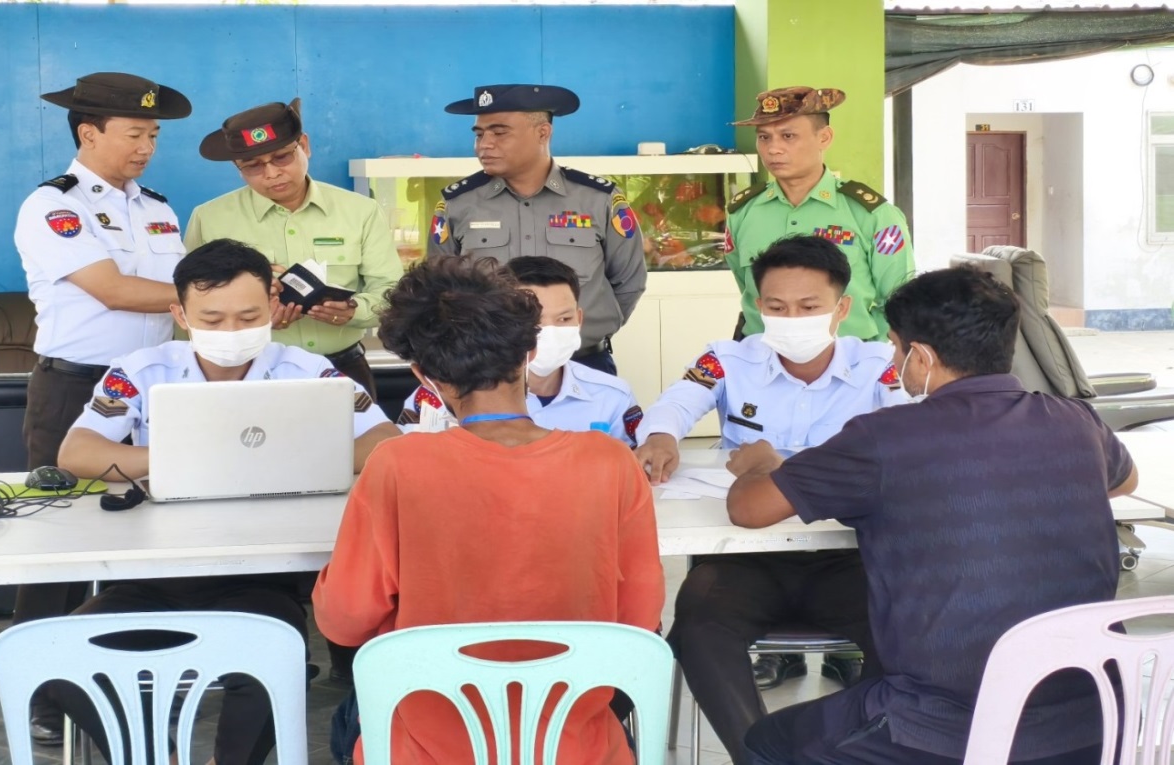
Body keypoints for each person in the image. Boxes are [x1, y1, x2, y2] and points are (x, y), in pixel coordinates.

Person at [732, 267, 1137, 765]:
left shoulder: (884, 438)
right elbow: (1125, 480)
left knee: (767, 743)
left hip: (942, 728)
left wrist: (763, 464)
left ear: (921, 357)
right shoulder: (1077, 421)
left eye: (896, 349)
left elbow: (749, 509)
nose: (894, 362)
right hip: (1095, 722)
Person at [50, 239, 399, 765]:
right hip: (154, 574)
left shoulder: (308, 371)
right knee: (61, 660)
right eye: (212, 319)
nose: (231, 331)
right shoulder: (142, 370)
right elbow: (77, 453)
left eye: (248, 317)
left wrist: (297, 460)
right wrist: (187, 457)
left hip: (258, 578)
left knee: (274, 661)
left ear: (273, 307)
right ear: (180, 315)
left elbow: (385, 441)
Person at [313, 255, 664, 765]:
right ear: (528, 352)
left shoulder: (396, 465)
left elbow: (344, 620)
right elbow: (638, 622)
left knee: (349, 715)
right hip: (574, 747)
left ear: (423, 376)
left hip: (426, 748)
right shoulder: (611, 462)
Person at [632, 234, 905, 764]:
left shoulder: (877, 365)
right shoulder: (728, 359)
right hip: (745, 558)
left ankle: (854, 753)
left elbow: (910, 434)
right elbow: (675, 405)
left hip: (849, 558)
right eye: (777, 307)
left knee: (904, 628)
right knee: (698, 623)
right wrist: (661, 436)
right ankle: (758, 758)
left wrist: (779, 468)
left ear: (842, 308)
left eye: (809, 307)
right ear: (758, 306)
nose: (792, 319)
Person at [12, 70, 192, 745]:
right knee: (55, 542)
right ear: (89, 133)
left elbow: (170, 295)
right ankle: (40, 690)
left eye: (153, 135)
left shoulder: (158, 208)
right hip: (74, 386)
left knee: (148, 532)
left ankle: (134, 674)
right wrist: (216, 295)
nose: (147, 147)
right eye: (134, 133)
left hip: (151, 388)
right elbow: (113, 290)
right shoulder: (52, 206)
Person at [185, 98, 403, 399]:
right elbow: (191, 303)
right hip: (248, 373)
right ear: (238, 168)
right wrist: (254, 321)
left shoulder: (360, 211)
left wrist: (354, 310)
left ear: (304, 146)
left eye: (281, 157)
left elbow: (391, 290)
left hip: (343, 368)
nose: (271, 173)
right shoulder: (210, 218)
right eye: (253, 166)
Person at [428, 84, 647, 375]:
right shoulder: (458, 204)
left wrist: (584, 332)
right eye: (479, 134)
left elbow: (629, 280)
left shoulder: (597, 199)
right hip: (487, 369)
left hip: (583, 364)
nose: (484, 145)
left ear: (543, 133)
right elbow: (440, 287)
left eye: (499, 133)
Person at [725, 86, 914, 342]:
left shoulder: (872, 215)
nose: (773, 149)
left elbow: (899, 300)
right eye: (764, 137)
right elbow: (748, 287)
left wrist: (866, 352)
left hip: (848, 357)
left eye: (788, 136)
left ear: (824, 138)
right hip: (762, 356)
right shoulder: (743, 212)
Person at [398, 256, 644, 445]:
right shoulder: (443, 393)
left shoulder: (612, 396)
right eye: (536, 321)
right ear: (508, 322)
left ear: (579, 320)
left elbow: (634, 468)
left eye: (563, 319)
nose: (548, 332)